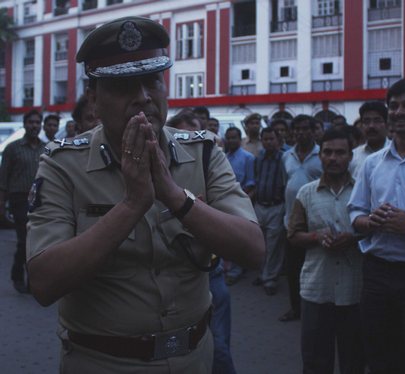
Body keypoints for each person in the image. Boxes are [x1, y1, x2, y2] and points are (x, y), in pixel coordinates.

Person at [26, 16, 264, 373]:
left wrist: (174, 196)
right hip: (104, 362)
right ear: (93, 98)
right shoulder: (63, 165)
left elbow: (254, 250)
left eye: (152, 81)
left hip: (195, 357)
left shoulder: (202, 153)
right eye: (123, 86)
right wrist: (132, 205)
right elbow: (43, 282)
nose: (143, 98)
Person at [348, 79, 405, 374]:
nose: (399, 112)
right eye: (393, 106)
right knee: (379, 353)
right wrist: (370, 221)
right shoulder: (372, 164)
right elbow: (355, 210)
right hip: (377, 273)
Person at [167, 107, 237, 374]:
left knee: (219, 348)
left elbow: (238, 229)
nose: (192, 143)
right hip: (180, 276)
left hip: (213, 271)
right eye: (184, 137)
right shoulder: (161, 175)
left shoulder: (214, 169)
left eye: (198, 134)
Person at [288, 129, 364, 374]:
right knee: (315, 362)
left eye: (340, 152)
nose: (333, 158)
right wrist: (317, 236)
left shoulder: (363, 191)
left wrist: (352, 239)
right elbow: (293, 235)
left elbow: (374, 231)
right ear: (319, 156)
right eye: (327, 152)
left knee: (354, 360)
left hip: (356, 290)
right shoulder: (306, 193)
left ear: (350, 156)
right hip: (316, 289)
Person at [280, 115, 322, 321]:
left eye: (305, 129)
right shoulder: (287, 156)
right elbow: (284, 183)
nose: (300, 133)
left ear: (314, 131)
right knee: (293, 270)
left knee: (315, 270)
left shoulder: (323, 154)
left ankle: (316, 310)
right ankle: (296, 309)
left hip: (315, 222)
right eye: (296, 129)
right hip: (291, 222)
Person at [0, 109, 45, 293]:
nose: (34, 126)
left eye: (37, 122)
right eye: (31, 122)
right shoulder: (13, 148)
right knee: (24, 240)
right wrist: (1, 204)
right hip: (19, 198)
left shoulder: (46, 148)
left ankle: (32, 279)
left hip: (41, 199)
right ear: (25, 125)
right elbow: (3, 179)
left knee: (38, 241)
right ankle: (18, 275)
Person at [252, 127, 285, 296]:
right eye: (265, 139)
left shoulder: (284, 158)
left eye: (271, 139)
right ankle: (262, 273)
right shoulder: (259, 159)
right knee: (261, 243)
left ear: (278, 140)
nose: (268, 142)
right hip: (260, 205)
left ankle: (270, 278)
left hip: (276, 206)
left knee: (274, 245)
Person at [224, 127, 256, 286]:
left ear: (239, 138)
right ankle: (229, 268)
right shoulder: (224, 157)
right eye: (228, 138)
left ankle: (237, 270)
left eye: (234, 138)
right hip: (224, 202)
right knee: (227, 237)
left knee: (238, 238)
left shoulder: (248, 158)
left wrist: (240, 201)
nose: (231, 141)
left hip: (240, 201)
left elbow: (251, 183)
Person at [349, 101, 390, 178]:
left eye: (377, 121)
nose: (371, 126)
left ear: (387, 124)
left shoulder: (397, 153)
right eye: (367, 121)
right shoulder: (353, 156)